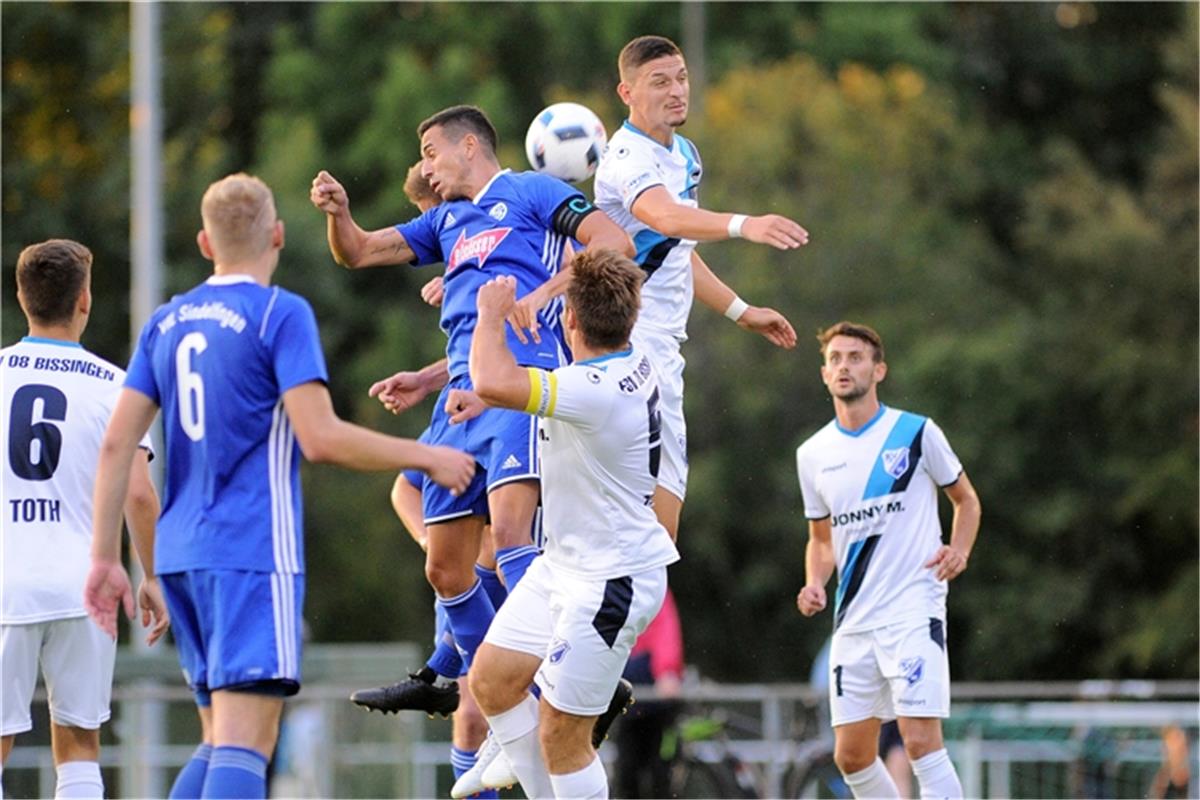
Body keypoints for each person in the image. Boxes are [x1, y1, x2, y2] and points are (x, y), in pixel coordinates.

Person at [83, 173, 475, 800]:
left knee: (218, 738)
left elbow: (114, 445)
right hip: (251, 555)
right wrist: (425, 455)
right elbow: (319, 438)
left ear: (205, 244)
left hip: (179, 557)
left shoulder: (166, 321)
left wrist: (109, 560)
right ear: (279, 235)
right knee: (246, 742)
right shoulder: (277, 314)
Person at [310, 105, 633, 716]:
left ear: (467, 146)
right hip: (459, 403)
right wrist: (340, 215)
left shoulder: (531, 191)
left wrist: (540, 296)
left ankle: (571, 679)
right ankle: (507, 695)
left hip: (518, 388)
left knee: (511, 539)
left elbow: (614, 242)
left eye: (431, 152)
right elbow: (357, 253)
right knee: (446, 569)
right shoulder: (447, 222)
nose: (426, 169)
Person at [463, 249, 680, 800]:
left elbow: (492, 381)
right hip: (563, 565)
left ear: (572, 320)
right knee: (491, 680)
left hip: (611, 579)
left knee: (563, 732)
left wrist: (490, 311)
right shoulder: (636, 357)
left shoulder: (589, 390)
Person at [593, 34, 810, 545]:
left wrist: (740, 311)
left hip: (663, 350)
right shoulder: (625, 158)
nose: (676, 91)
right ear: (626, 93)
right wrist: (743, 224)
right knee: (644, 539)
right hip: (625, 346)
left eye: (682, 78)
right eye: (659, 82)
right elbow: (663, 215)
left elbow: (675, 248)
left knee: (658, 538)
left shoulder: (685, 154)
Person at [0, 239, 169, 800]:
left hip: (5, 586)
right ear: (85, 301)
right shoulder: (115, 385)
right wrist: (153, 576)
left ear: (23, 299)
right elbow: (139, 497)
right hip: (85, 588)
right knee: (78, 744)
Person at [795, 321, 982, 800]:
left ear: (879, 370)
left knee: (920, 741)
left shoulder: (916, 432)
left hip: (911, 609)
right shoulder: (813, 454)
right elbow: (821, 539)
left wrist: (958, 550)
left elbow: (966, 501)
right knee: (852, 756)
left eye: (855, 357)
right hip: (853, 619)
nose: (844, 366)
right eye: (835, 358)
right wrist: (815, 581)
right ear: (823, 373)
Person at [613, 587, 684, 800]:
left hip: (659, 705)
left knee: (661, 776)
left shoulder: (654, 586)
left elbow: (665, 631)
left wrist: (668, 671)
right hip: (630, 704)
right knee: (627, 775)